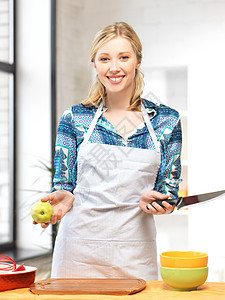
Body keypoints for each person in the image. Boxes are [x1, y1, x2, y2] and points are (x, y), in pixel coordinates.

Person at [36, 22, 182, 281]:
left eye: (123, 57)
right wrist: (62, 197)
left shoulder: (166, 121)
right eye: (104, 58)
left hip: (134, 253)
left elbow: (168, 192)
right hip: (78, 251)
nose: (114, 67)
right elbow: (64, 184)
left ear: (137, 61)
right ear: (95, 64)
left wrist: (161, 203)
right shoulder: (75, 118)